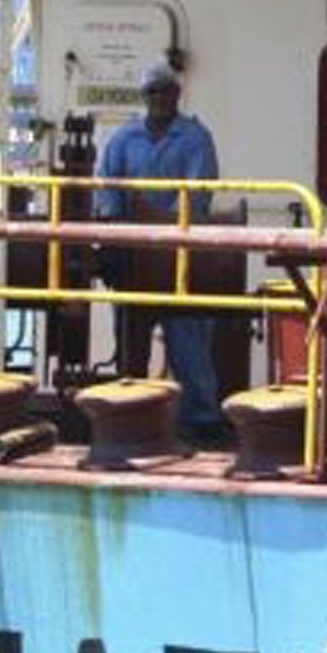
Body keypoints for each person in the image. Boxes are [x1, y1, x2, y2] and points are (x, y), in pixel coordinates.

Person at [94, 59, 228, 442]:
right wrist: (114, 234)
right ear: (143, 96)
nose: (158, 98)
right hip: (134, 258)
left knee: (189, 339)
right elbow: (108, 189)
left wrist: (166, 229)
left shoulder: (195, 138)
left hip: (182, 257)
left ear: (177, 94)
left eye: (165, 91)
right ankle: (129, 413)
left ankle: (201, 419)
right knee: (131, 341)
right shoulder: (123, 139)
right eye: (151, 92)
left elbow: (199, 191)